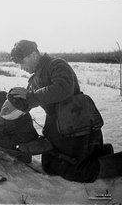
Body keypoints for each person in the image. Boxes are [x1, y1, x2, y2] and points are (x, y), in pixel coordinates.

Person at [9, 39, 122, 182]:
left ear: (33, 55)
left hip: (78, 127)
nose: (21, 67)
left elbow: (64, 88)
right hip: (61, 130)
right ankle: (98, 154)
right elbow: (32, 99)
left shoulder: (56, 65)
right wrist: (19, 102)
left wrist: (31, 96)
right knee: (50, 165)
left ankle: (116, 162)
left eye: (22, 62)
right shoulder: (35, 78)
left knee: (75, 171)